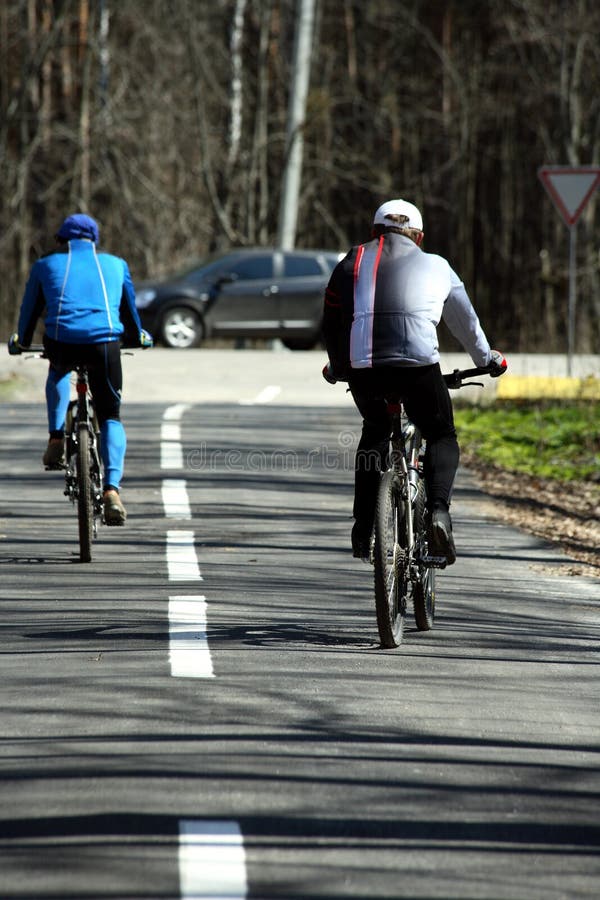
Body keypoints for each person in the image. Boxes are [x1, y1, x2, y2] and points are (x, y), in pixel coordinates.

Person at [322, 198, 506, 565]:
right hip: (418, 367)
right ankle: (438, 512)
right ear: (419, 237)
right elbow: (465, 322)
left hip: (366, 369)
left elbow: (332, 320)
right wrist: (487, 360)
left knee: (374, 430)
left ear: (375, 232)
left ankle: (362, 528)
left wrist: (339, 365)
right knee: (440, 434)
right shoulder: (437, 265)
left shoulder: (351, 261)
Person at [9, 213, 152, 526]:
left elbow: (29, 311)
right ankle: (112, 491)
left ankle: (56, 438)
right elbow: (129, 315)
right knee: (111, 415)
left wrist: (19, 340)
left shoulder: (45, 265)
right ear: (95, 240)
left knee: (58, 370)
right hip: (105, 345)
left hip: (62, 341)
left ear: (62, 240)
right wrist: (138, 336)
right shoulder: (116, 264)